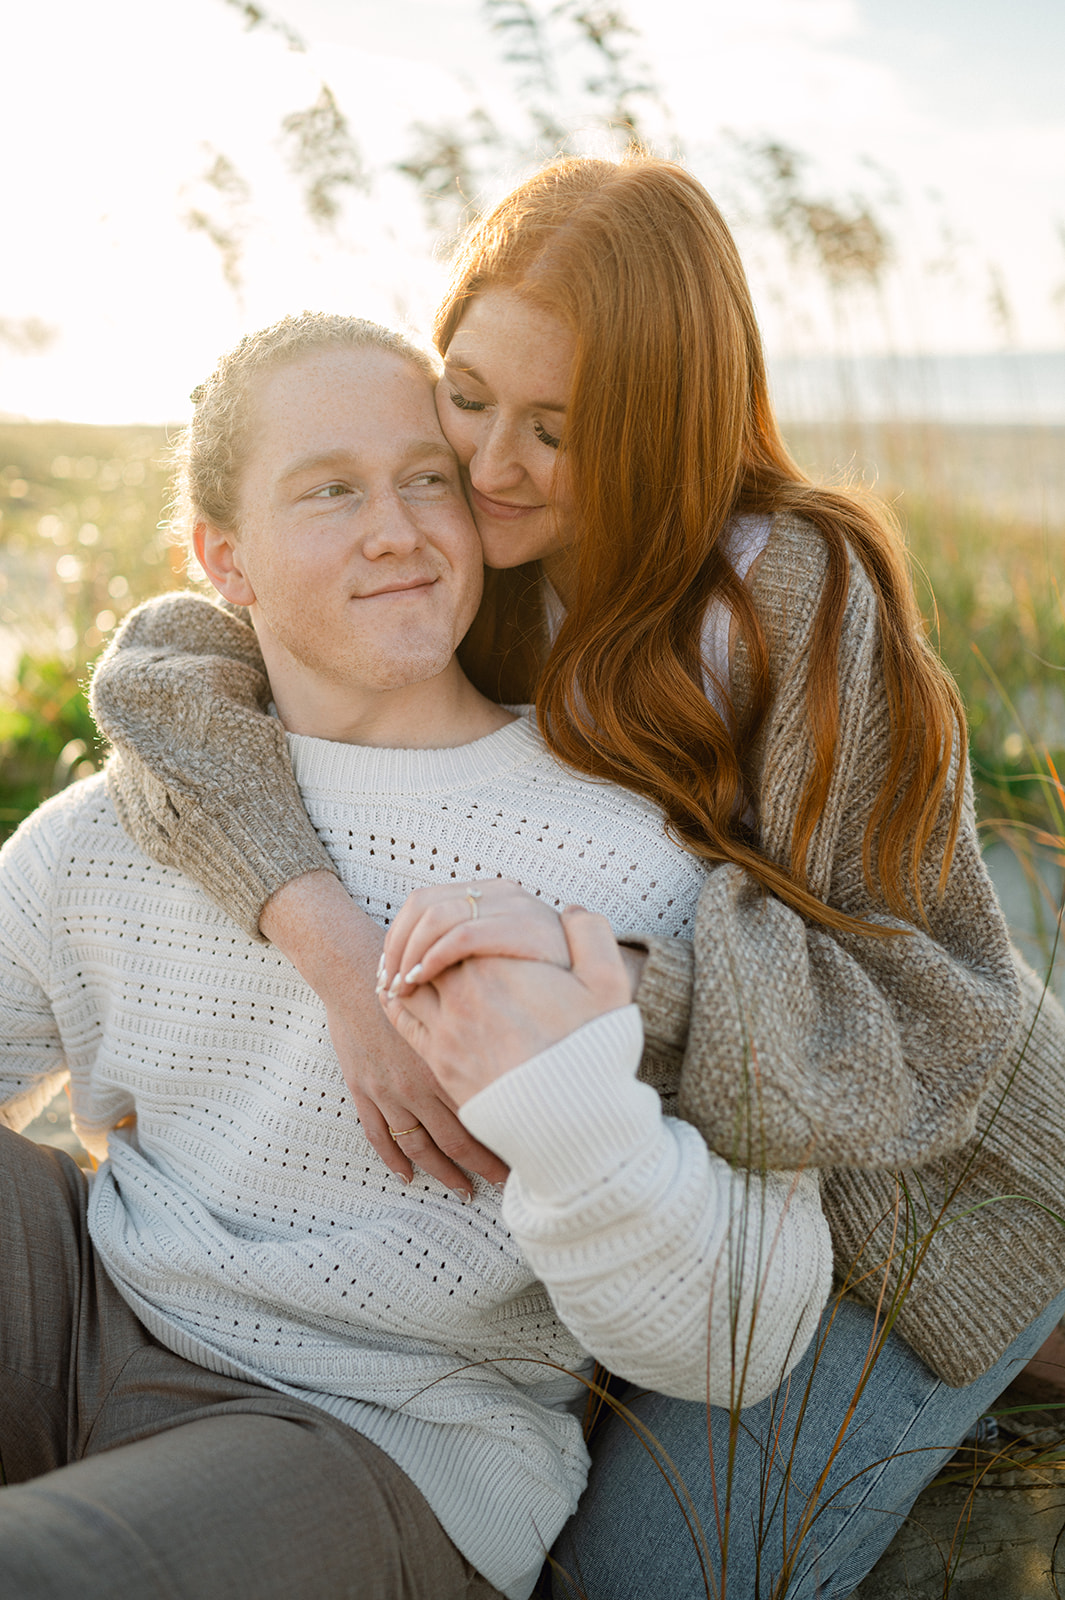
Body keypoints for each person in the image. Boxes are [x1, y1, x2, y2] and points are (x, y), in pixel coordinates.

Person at [88, 157, 1065, 1598]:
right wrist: (331, 942)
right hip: (658, 1208)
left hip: (916, 1213)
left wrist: (592, 993)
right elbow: (166, 676)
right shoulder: (462, 558)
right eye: (467, 396)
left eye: (559, 430)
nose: (487, 466)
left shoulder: (786, 592)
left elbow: (918, 1007)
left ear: (668, 425)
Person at [0, 314, 834, 1600]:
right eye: (331, 490)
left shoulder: (623, 855)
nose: (394, 527)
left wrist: (575, 1117)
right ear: (224, 558)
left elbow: (752, 1328)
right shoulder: (127, 821)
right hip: (94, 1300)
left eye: (424, 480)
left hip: (373, 1434)